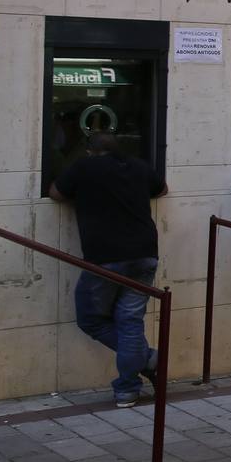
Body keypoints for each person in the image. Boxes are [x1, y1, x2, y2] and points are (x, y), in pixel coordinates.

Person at [47, 132, 169, 407]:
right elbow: (162, 190)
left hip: (106, 257)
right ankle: (129, 386)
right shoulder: (137, 165)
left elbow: (56, 193)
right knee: (129, 321)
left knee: (90, 319)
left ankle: (147, 360)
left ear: (90, 151)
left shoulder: (84, 167)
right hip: (145, 254)